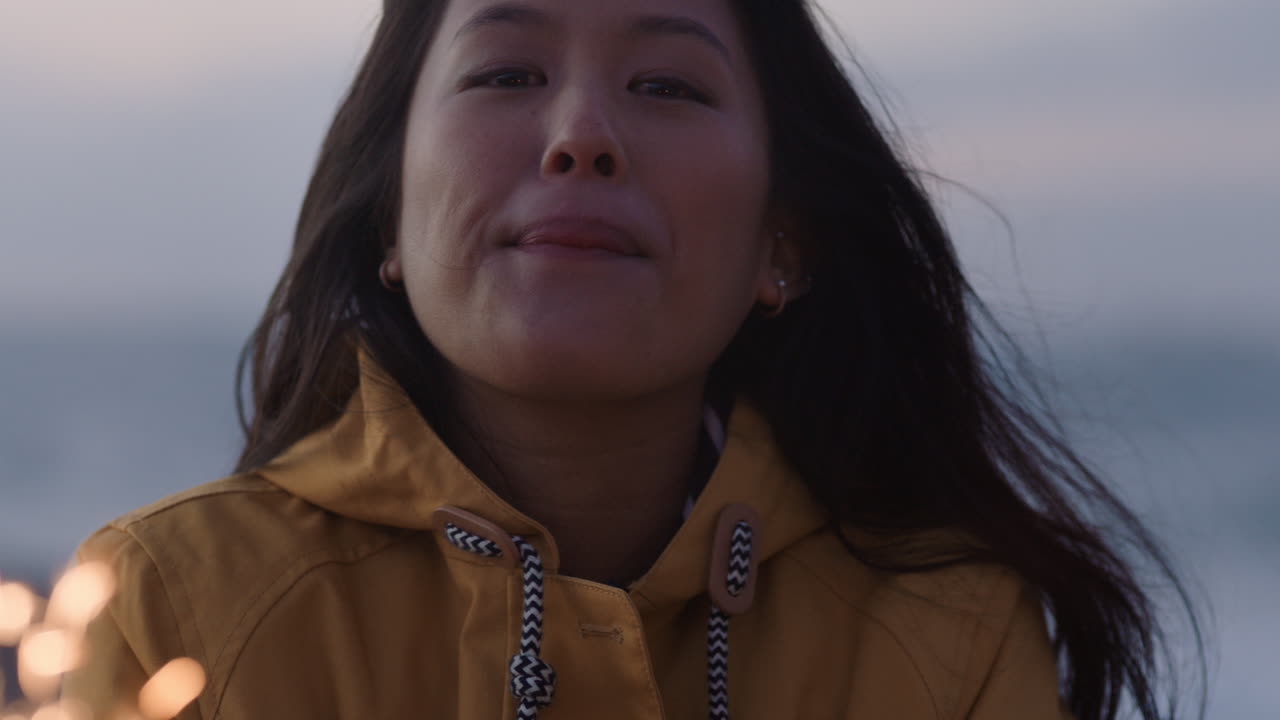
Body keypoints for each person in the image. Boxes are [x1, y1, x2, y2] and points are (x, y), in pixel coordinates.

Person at [63, 0, 1200, 718]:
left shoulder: (942, 638)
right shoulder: (173, 606)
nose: (580, 135)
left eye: (666, 84)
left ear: (781, 242)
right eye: (505, 72)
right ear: (387, 227)